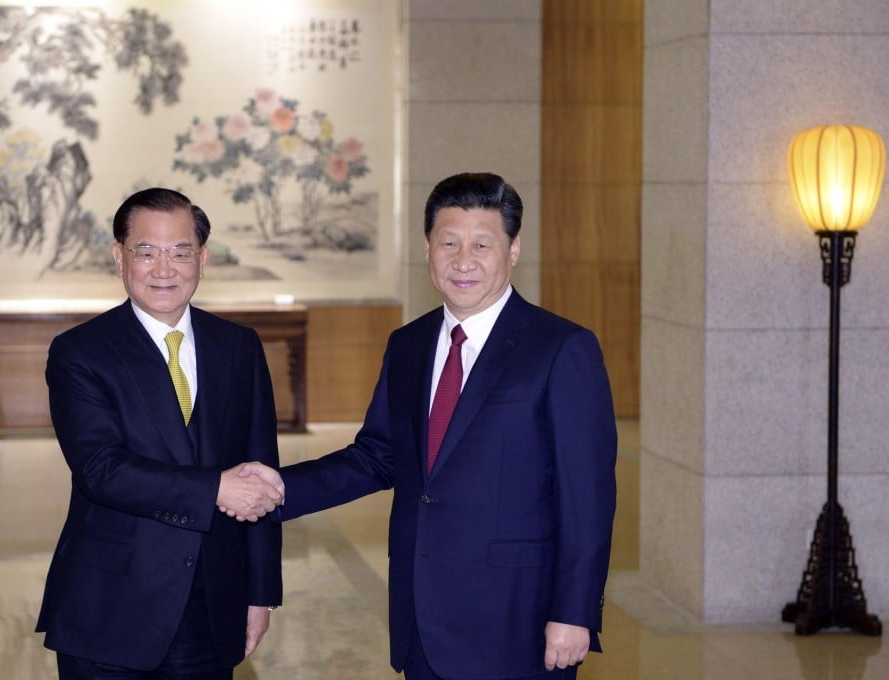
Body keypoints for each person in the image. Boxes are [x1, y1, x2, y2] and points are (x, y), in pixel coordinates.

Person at [235, 172, 617, 679]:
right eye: (448, 243)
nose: (464, 261)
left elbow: (587, 497)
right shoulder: (409, 345)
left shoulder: (561, 348)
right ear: (427, 249)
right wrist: (282, 488)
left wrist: (574, 613)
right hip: (421, 616)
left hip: (516, 620)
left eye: (482, 244)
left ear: (514, 248)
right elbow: (377, 455)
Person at [36, 187, 284, 679]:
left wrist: (259, 595)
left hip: (213, 606)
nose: (164, 268)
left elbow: (260, 473)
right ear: (119, 257)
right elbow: (101, 470)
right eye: (146, 252)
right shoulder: (81, 353)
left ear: (203, 258)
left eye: (180, 251)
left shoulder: (238, 347)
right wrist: (216, 487)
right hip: (111, 609)